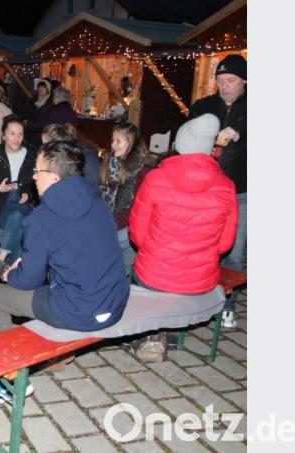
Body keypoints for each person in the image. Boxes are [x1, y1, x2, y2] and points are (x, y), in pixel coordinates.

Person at [0, 141, 129, 403]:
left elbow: (29, 280)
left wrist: (12, 275)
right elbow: (75, 254)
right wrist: (29, 264)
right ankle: (57, 357)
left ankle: (10, 380)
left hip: (81, 311)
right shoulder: (96, 202)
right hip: (114, 302)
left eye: (37, 171)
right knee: (55, 282)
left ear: (54, 177)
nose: (33, 177)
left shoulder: (41, 219)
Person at [129, 114, 238, 357]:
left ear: (181, 144)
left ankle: (149, 330)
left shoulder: (155, 178)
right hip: (200, 281)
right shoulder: (228, 186)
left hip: (154, 276)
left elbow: (137, 235)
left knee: (135, 266)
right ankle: (168, 332)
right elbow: (225, 245)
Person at [187, 54, 247, 328]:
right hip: (207, 189)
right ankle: (196, 298)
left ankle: (228, 305)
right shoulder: (204, 106)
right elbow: (187, 136)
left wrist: (241, 134)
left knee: (234, 251)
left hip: (242, 190)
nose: (225, 86)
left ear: (244, 81)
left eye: (231, 80)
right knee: (203, 246)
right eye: (220, 80)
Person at [0, 115, 35, 274]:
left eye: (20, 134)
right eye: (12, 133)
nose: (17, 138)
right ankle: (11, 270)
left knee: (18, 215)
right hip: (1, 205)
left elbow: (38, 185)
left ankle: (1, 258)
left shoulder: (31, 156)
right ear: (3, 135)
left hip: (23, 205)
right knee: (18, 223)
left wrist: (27, 194)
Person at [98, 122, 159, 272]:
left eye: (118, 141)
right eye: (112, 140)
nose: (113, 145)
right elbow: (101, 197)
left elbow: (137, 211)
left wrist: (108, 226)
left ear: (131, 142)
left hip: (130, 227)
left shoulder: (143, 170)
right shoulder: (111, 164)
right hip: (112, 222)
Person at [41, 123, 101, 191]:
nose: (43, 149)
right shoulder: (60, 158)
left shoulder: (86, 158)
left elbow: (92, 185)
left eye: (46, 145)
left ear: (57, 145)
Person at [24, 79, 54, 147]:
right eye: (39, 87)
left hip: (43, 135)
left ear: (48, 89)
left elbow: (46, 121)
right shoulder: (33, 100)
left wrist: (28, 123)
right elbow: (26, 113)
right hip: (30, 133)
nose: (40, 89)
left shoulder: (51, 103)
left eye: (43, 87)